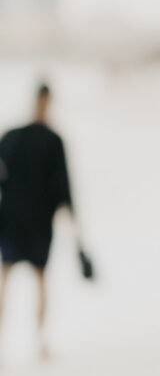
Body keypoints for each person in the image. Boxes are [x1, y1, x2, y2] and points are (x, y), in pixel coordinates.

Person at [0, 83, 79, 360]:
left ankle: (19, 344)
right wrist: (75, 227)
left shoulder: (12, 136)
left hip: (10, 220)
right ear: (48, 102)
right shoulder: (53, 141)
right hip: (37, 224)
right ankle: (40, 343)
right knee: (39, 280)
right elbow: (65, 189)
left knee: (5, 279)